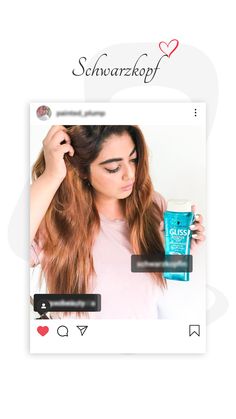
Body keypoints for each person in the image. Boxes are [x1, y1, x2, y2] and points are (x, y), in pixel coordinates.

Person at [30, 125, 205, 319]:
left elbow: (143, 284)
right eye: (113, 168)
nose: (130, 174)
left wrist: (179, 254)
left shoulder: (153, 205)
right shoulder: (53, 218)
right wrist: (51, 176)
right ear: (82, 170)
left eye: (134, 159)